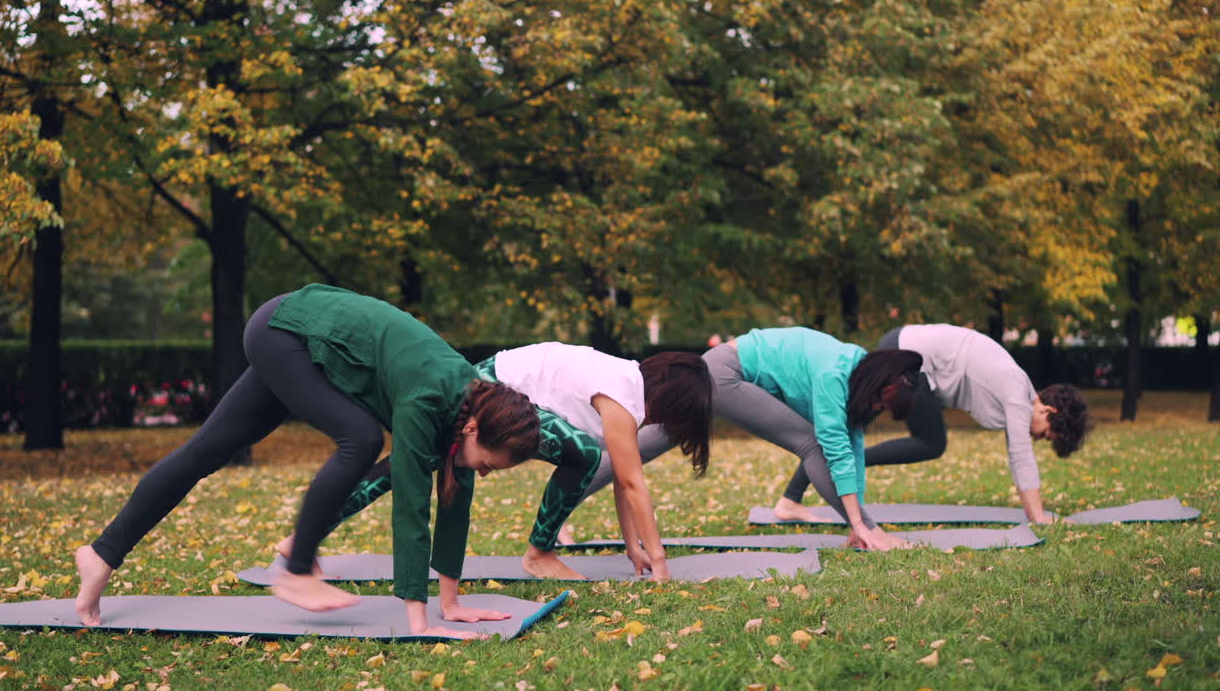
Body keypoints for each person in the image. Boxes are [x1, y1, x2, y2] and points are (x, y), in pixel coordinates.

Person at [73, 284, 540, 639]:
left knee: (205, 452)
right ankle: (297, 571)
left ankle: (100, 554)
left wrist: (451, 603)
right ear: (477, 430)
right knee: (359, 437)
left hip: (309, 346)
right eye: (490, 464)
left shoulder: (469, 408)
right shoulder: (430, 397)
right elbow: (413, 505)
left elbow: (456, 503)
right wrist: (420, 620)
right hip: (286, 330)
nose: (484, 472)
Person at [278, 342, 713, 581]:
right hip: (492, 390)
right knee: (581, 454)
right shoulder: (623, 391)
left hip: (491, 384)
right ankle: (539, 553)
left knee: (403, 466)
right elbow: (633, 482)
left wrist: (634, 547)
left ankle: (304, 537)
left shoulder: (625, 382)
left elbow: (623, 482)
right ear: (674, 401)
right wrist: (659, 559)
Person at [576, 327, 923, 551]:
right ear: (876, 382)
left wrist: (859, 522)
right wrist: (864, 525)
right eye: (880, 400)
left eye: (883, 407)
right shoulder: (836, 372)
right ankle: (561, 506)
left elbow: (854, 446)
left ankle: (562, 503)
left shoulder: (857, 374)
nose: (877, 408)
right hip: (726, 374)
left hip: (718, 369)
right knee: (812, 444)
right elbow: (833, 447)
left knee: (636, 450)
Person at [783, 324, 1091, 523]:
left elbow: (1018, 450)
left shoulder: (1017, 389)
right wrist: (1038, 519)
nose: (1041, 439)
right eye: (1048, 435)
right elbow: (1021, 457)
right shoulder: (1015, 389)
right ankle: (806, 492)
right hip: (909, 357)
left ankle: (789, 501)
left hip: (910, 356)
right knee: (930, 441)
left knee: (847, 426)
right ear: (1048, 410)